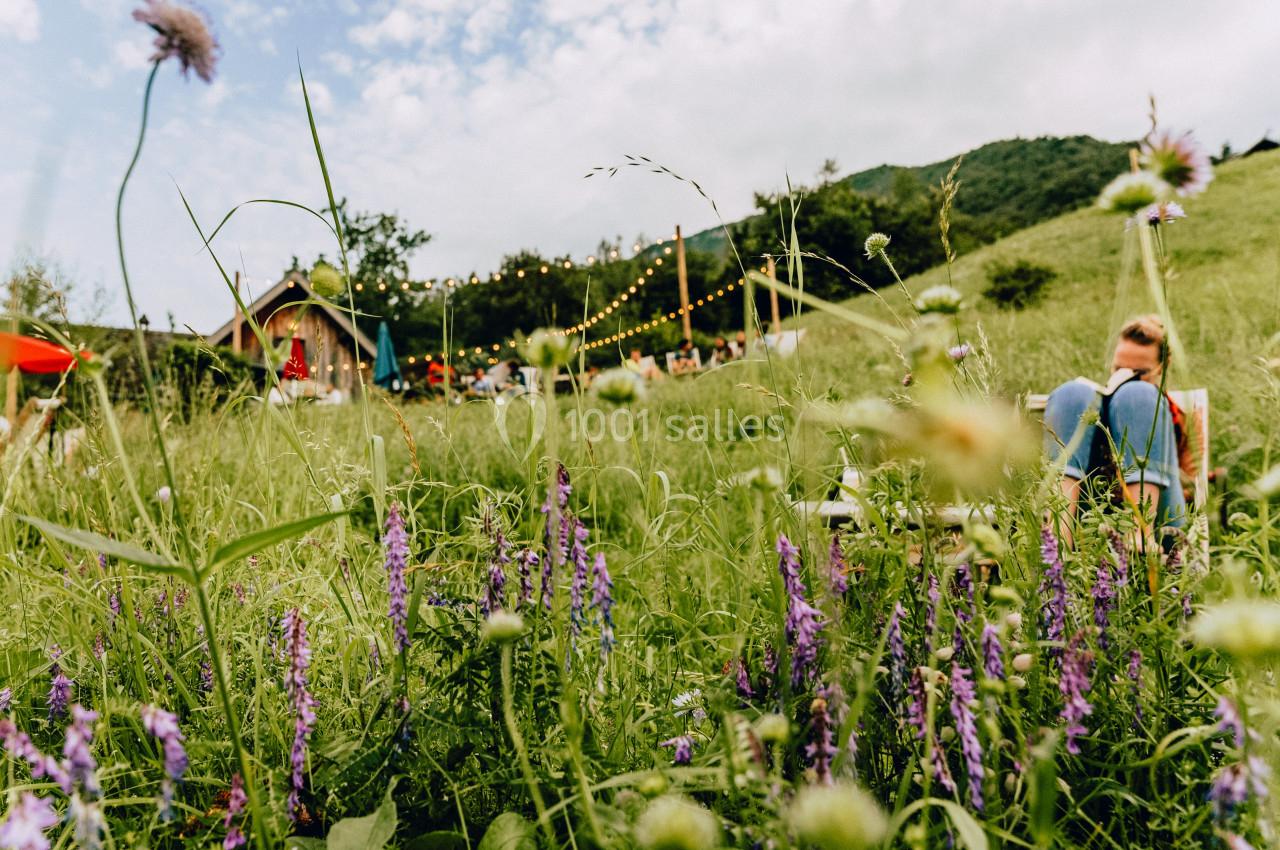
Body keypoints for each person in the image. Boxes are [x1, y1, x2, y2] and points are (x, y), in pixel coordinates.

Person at [1043, 315, 1192, 537]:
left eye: (1139, 373)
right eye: (1119, 369)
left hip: (1161, 522)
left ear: (1162, 368)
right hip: (1089, 514)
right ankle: (1058, 538)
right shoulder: (1094, 404)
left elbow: (1192, 485)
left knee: (1137, 395)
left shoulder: (1181, 415)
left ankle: (1140, 535)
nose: (1126, 377)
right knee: (1072, 392)